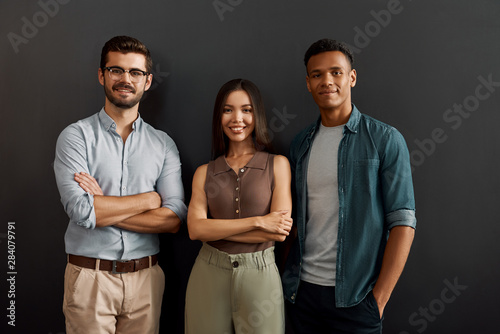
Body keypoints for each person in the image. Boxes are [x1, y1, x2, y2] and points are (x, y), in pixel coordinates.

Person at [53, 35, 187, 334]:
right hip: (90, 278)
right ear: (102, 75)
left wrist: (104, 205)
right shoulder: (76, 137)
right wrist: (150, 199)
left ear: (147, 81)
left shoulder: (163, 144)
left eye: (135, 72)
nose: (125, 79)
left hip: (146, 280)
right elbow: (82, 212)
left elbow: (174, 219)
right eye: (116, 70)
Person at [282, 38, 417, 333]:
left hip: (357, 298)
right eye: (317, 75)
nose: (326, 81)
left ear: (352, 77)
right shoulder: (300, 144)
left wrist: (379, 300)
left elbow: (403, 223)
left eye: (336, 72)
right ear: (308, 83)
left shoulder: (385, 139)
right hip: (302, 295)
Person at [185, 79, 293, 334]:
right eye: (227, 110)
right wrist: (258, 221)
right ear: (218, 116)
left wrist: (213, 228)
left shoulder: (277, 164)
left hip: (260, 272)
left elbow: (277, 232)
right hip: (208, 272)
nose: (237, 118)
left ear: (257, 114)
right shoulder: (204, 172)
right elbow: (194, 230)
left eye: (246, 110)